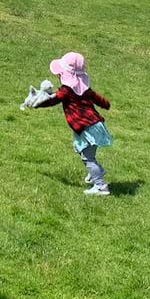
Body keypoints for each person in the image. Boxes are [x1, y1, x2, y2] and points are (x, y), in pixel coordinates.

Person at [28, 51, 114, 196]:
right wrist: (106, 104)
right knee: (87, 154)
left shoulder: (67, 90)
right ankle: (96, 173)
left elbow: (53, 100)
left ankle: (100, 185)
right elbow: (98, 99)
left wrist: (37, 104)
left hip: (87, 128)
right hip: (96, 125)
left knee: (88, 157)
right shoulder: (86, 90)